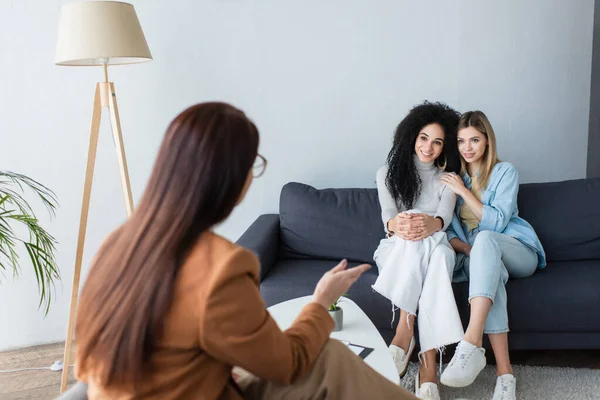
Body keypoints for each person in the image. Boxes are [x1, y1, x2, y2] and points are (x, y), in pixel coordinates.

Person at [72, 102, 418, 400]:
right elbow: (287, 363)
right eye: (253, 164)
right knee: (328, 359)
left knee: (329, 361)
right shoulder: (221, 266)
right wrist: (319, 302)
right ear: (229, 177)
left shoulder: (116, 242)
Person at [439, 111, 546, 400]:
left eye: (475, 139)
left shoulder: (505, 172)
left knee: (487, 239)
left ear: (487, 141)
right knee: (490, 273)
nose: (467, 147)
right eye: (461, 141)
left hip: (516, 249)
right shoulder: (452, 178)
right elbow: (447, 229)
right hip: (480, 253)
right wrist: (469, 250)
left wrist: (464, 191)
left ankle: (471, 341)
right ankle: (505, 375)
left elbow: (497, 223)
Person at [372, 101, 464, 400]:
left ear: (445, 146)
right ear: (411, 136)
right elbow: (388, 214)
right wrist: (400, 224)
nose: (429, 147)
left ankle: (404, 332)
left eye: (437, 142)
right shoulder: (386, 173)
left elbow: (445, 217)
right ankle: (429, 366)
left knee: (434, 250)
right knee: (416, 241)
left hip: (438, 244)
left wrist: (431, 223)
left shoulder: (448, 176)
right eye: (424, 138)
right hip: (397, 247)